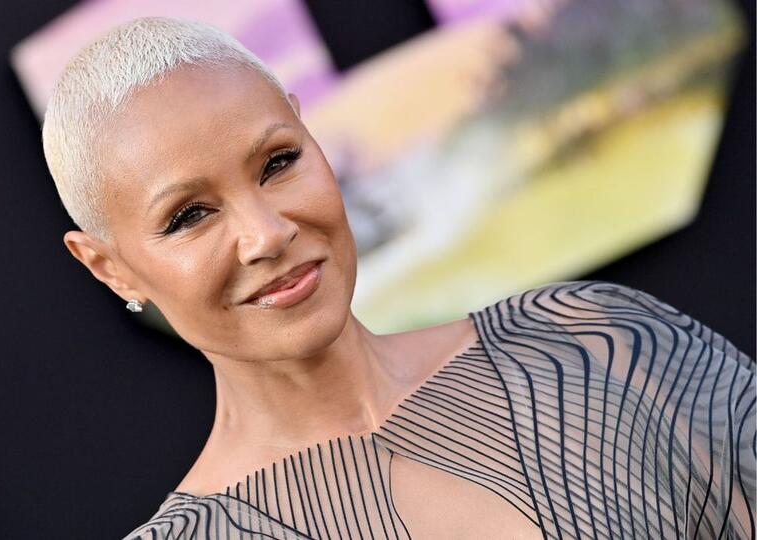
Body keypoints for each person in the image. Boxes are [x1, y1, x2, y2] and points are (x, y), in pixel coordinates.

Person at [40, 16, 755, 540]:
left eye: (279, 163)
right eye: (190, 215)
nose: (267, 233)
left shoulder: (599, 347)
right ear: (109, 266)